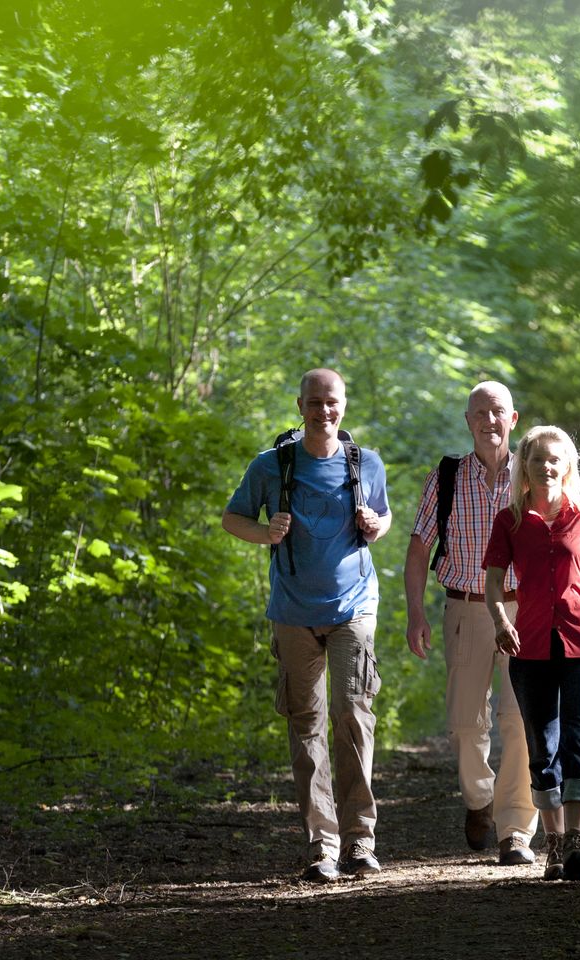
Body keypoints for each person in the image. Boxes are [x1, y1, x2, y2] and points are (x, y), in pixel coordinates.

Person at [221, 368, 392, 883]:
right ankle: (323, 844)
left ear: (344, 405)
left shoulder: (367, 464)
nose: (324, 411)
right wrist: (265, 532)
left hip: (354, 607)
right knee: (306, 725)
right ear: (300, 406)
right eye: (314, 403)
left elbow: (383, 519)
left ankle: (361, 840)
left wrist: (374, 524)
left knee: (352, 714)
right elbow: (233, 519)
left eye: (332, 402)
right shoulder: (271, 465)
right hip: (293, 611)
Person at [483, 424, 580, 882]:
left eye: (556, 459)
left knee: (577, 740)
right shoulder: (508, 520)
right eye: (538, 458)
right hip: (528, 645)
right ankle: (553, 841)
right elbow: (491, 581)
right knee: (542, 748)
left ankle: (577, 842)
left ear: (567, 467)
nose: (547, 466)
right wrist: (501, 621)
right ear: (523, 466)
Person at [404, 381, 539, 865]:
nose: (489, 420)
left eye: (497, 411)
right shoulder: (445, 477)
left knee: (520, 718)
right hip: (465, 607)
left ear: (513, 418)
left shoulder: (533, 475)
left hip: (524, 609)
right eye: (479, 412)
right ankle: (479, 800)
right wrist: (416, 612)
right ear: (467, 421)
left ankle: (516, 829)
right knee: (465, 723)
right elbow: (419, 548)